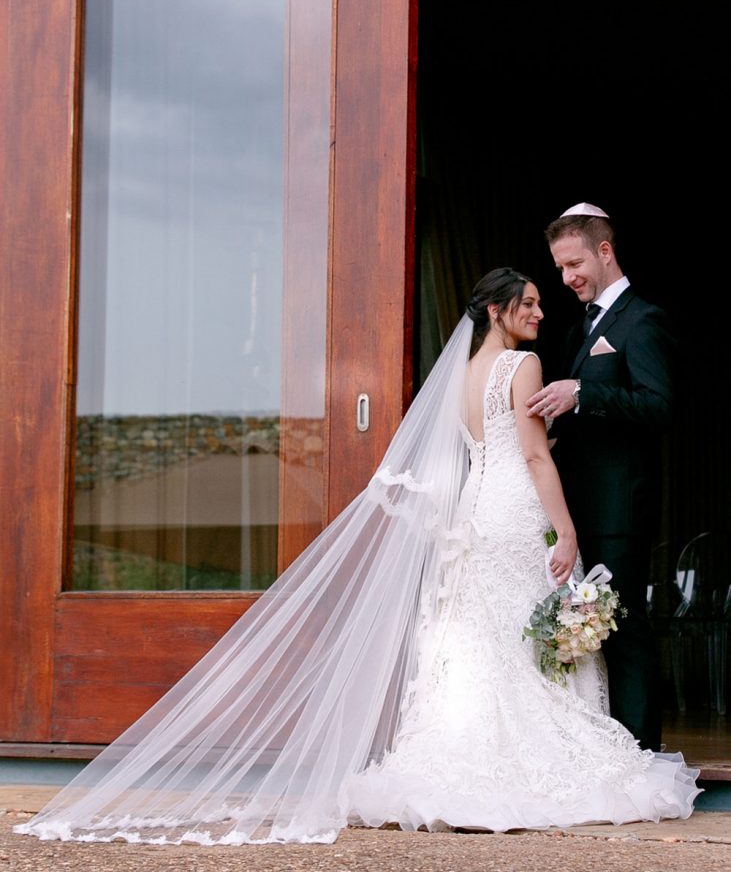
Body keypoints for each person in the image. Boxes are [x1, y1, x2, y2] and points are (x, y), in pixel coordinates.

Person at [17, 269, 697, 847]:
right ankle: (524, 762)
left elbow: (475, 452)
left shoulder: (460, 375)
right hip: (514, 509)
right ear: (497, 311)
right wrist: (566, 529)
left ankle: (453, 756)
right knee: (519, 629)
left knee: (477, 633)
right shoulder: (522, 367)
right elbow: (531, 452)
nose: (542, 312)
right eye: (529, 304)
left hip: (473, 512)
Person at [526, 204, 674, 752]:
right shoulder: (578, 328)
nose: (567, 278)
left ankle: (642, 760)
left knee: (626, 631)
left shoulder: (643, 320)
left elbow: (660, 406)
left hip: (618, 509)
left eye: (574, 264)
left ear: (604, 251)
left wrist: (584, 393)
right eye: (560, 269)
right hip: (577, 508)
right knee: (586, 633)